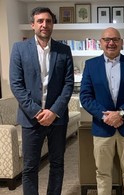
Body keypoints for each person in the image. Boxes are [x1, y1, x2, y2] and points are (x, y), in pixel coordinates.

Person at [9, 7, 74, 195]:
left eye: (48, 21)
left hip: (57, 119)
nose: (44, 25)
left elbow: (68, 84)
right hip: (31, 120)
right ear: (33, 24)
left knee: (57, 164)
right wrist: (37, 112)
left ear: (53, 24)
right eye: (40, 21)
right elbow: (16, 84)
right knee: (29, 167)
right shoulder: (19, 49)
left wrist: (53, 112)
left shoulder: (64, 50)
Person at [80, 27, 124, 195]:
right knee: (102, 172)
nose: (111, 43)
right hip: (102, 127)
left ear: (121, 43)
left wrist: (121, 113)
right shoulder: (91, 65)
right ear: (100, 43)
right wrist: (105, 116)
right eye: (107, 39)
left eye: (115, 39)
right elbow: (85, 96)